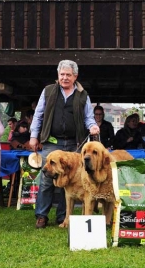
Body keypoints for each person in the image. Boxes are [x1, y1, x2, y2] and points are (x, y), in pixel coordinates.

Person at [29, 60, 99, 229]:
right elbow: (38, 115)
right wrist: (33, 135)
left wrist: (93, 126)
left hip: (75, 144)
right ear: (58, 75)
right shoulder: (48, 91)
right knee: (47, 178)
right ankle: (42, 216)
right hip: (52, 142)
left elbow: (88, 117)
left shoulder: (83, 95)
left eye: (68, 75)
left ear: (75, 76)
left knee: (68, 180)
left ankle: (63, 217)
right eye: (62, 74)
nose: (65, 78)